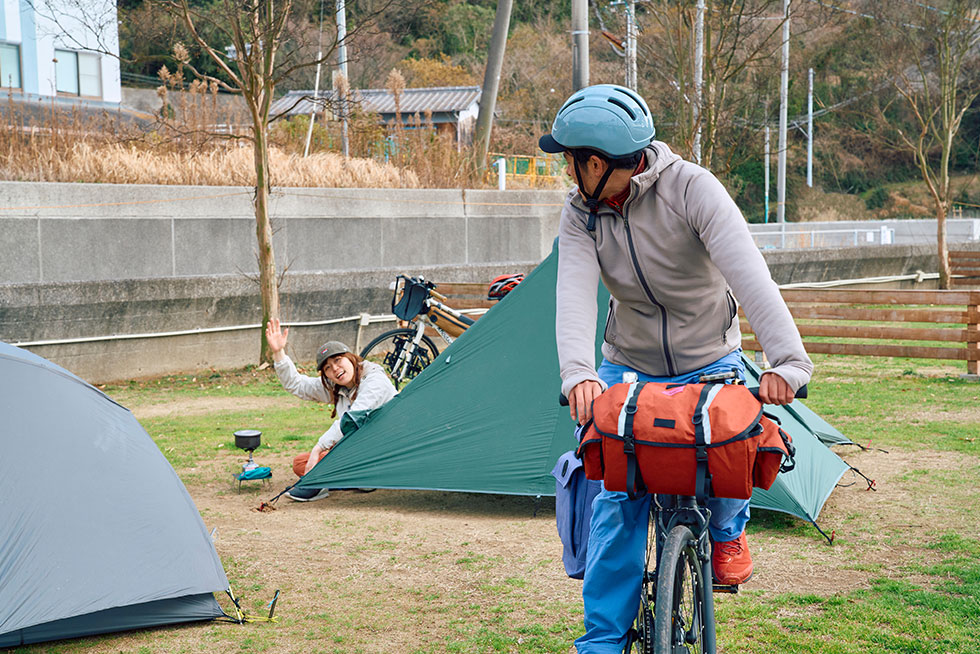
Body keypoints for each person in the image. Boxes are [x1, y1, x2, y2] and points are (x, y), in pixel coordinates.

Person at [541, 84, 813, 653]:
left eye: (570, 160)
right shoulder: (580, 214)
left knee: (736, 438)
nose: (568, 171)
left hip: (708, 355)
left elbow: (749, 275)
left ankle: (727, 533)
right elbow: (573, 296)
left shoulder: (692, 189)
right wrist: (579, 374)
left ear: (597, 162)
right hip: (627, 364)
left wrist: (786, 360)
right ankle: (603, 641)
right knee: (615, 500)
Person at [265, 318, 397, 501]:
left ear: (350, 358)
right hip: (356, 451)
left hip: (383, 452)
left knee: (315, 460)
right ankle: (347, 478)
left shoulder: (375, 381)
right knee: (300, 464)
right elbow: (298, 385)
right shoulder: (338, 387)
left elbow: (352, 418)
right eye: (328, 368)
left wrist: (318, 448)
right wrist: (278, 352)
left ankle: (343, 479)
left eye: (338, 360)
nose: (335, 369)